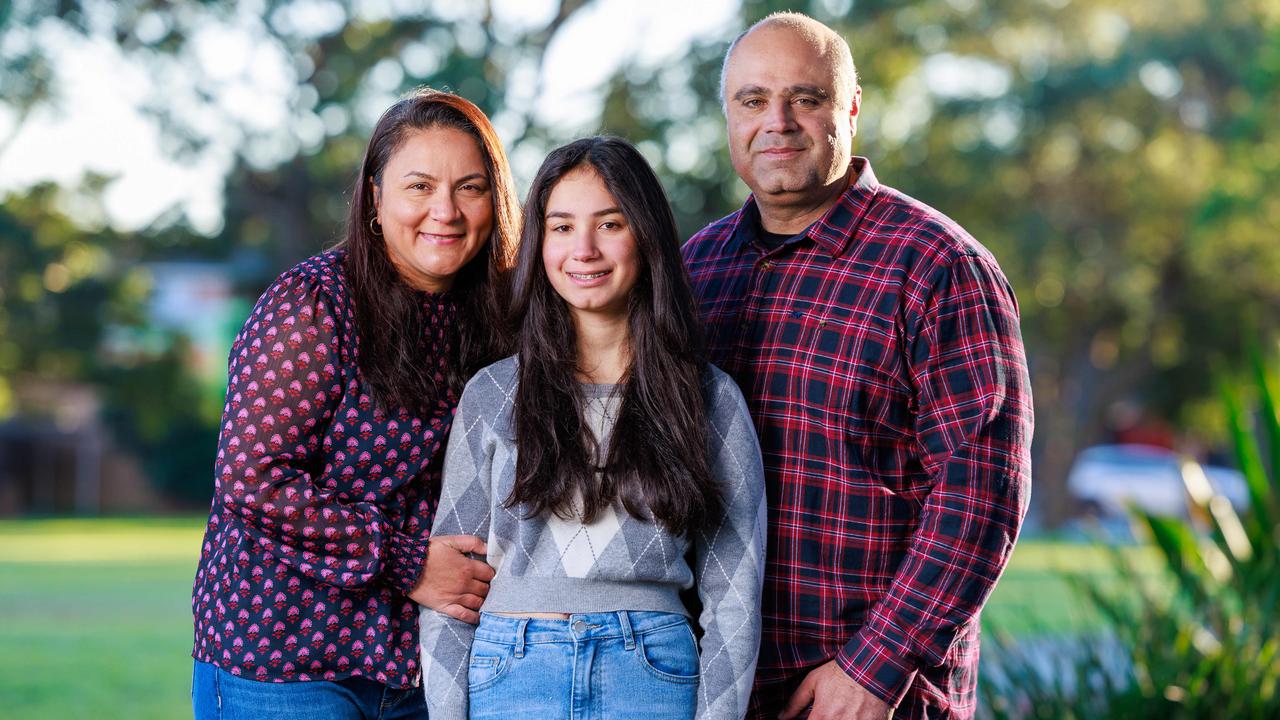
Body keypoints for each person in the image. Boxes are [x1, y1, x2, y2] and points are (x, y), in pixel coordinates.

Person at [682, 12, 1034, 720]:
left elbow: (980, 495)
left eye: (805, 98)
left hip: (872, 697)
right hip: (718, 690)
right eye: (753, 100)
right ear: (728, 115)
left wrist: (873, 667)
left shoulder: (937, 266)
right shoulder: (695, 269)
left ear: (851, 106)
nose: (777, 121)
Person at [190, 88, 520, 719]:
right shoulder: (312, 304)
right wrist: (410, 561)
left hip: (428, 658)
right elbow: (251, 480)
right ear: (375, 197)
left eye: (470, 188)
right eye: (419, 186)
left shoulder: (505, 317)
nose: (444, 211)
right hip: (284, 657)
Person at [419, 136, 767, 720]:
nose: (583, 249)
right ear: (538, 242)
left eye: (609, 224)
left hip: (653, 674)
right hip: (511, 670)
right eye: (561, 227)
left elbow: (734, 598)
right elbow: (453, 587)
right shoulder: (493, 392)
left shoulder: (709, 398)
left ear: (647, 238)